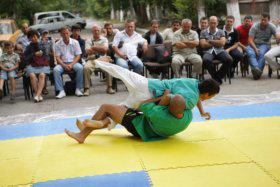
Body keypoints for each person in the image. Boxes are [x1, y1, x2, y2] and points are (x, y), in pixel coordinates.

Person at [93, 58, 219, 120]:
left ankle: (97, 63)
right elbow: (171, 98)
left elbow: (195, 96)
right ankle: (100, 123)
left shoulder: (194, 82)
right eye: (212, 96)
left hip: (148, 83)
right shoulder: (191, 99)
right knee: (121, 111)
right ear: (207, 94)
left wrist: (202, 112)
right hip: (148, 95)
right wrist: (155, 108)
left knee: (122, 71)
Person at [65, 91, 194, 143]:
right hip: (151, 130)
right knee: (119, 112)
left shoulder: (160, 114)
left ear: (168, 107)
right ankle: (101, 123)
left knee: (106, 107)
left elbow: (142, 106)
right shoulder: (188, 117)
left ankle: (82, 135)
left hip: (137, 125)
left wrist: (161, 98)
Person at [200, 16, 233, 84]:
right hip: (208, 51)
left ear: (217, 23)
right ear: (208, 22)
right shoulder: (203, 32)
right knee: (206, 60)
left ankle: (217, 77)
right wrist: (217, 42)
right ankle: (216, 78)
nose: (213, 25)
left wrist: (209, 41)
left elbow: (222, 43)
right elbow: (203, 45)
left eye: (214, 23)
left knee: (229, 59)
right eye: (211, 23)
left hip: (220, 50)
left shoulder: (221, 32)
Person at [84, 25, 115, 95]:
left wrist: (93, 47)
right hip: (92, 59)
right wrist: (100, 49)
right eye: (95, 30)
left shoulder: (104, 39)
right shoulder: (89, 40)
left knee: (109, 67)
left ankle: (109, 87)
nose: (97, 32)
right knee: (86, 68)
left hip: (103, 59)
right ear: (92, 31)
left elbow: (105, 49)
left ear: (100, 31)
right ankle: (87, 89)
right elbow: (88, 52)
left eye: (98, 30)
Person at [247, 13, 280, 80]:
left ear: (269, 20)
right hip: (253, 44)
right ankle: (257, 70)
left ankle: (256, 71)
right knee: (250, 53)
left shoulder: (272, 26)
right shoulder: (255, 27)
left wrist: (277, 38)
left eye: (265, 20)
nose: (263, 21)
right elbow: (250, 40)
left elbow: (277, 39)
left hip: (265, 44)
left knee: (261, 53)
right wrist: (255, 48)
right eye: (262, 20)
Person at [53, 26, 84, 99]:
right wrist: (64, 65)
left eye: (67, 33)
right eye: (63, 34)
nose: (65, 35)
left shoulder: (75, 42)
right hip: (62, 63)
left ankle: (78, 89)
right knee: (56, 70)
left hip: (73, 62)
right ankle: (61, 91)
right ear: (60, 34)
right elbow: (57, 57)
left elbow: (78, 55)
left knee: (80, 68)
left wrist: (71, 64)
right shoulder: (57, 44)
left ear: (69, 33)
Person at [24, 30, 51, 102]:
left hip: (43, 64)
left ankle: (37, 95)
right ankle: (38, 95)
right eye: (31, 37)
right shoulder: (28, 47)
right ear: (29, 38)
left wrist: (42, 56)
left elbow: (47, 57)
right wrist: (34, 54)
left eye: (35, 37)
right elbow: (25, 58)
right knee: (32, 75)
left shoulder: (42, 45)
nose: (33, 38)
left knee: (42, 75)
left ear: (37, 37)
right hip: (32, 65)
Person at [40, 29, 55, 95]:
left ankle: (56, 85)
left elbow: (53, 51)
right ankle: (44, 88)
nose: (45, 35)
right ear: (41, 35)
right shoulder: (39, 42)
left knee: (55, 68)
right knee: (44, 71)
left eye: (46, 34)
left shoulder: (50, 41)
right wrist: (43, 43)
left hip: (49, 60)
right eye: (44, 34)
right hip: (42, 61)